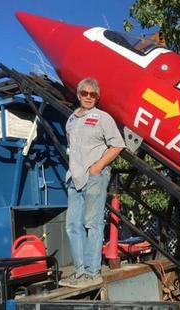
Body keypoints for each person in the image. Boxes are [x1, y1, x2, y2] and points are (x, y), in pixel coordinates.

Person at [59, 78, 125, 288]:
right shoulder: (70, 120)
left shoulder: (103, 118)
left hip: (94, 177)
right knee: (72, 225)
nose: (88, 97)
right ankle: (79, 273)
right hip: (74, 178)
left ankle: (92, 272)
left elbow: (117, 145)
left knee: (93, 224)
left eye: (92, 94)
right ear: (78, 95)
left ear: (97, 97)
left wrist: (97, 167)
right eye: (84, 93)